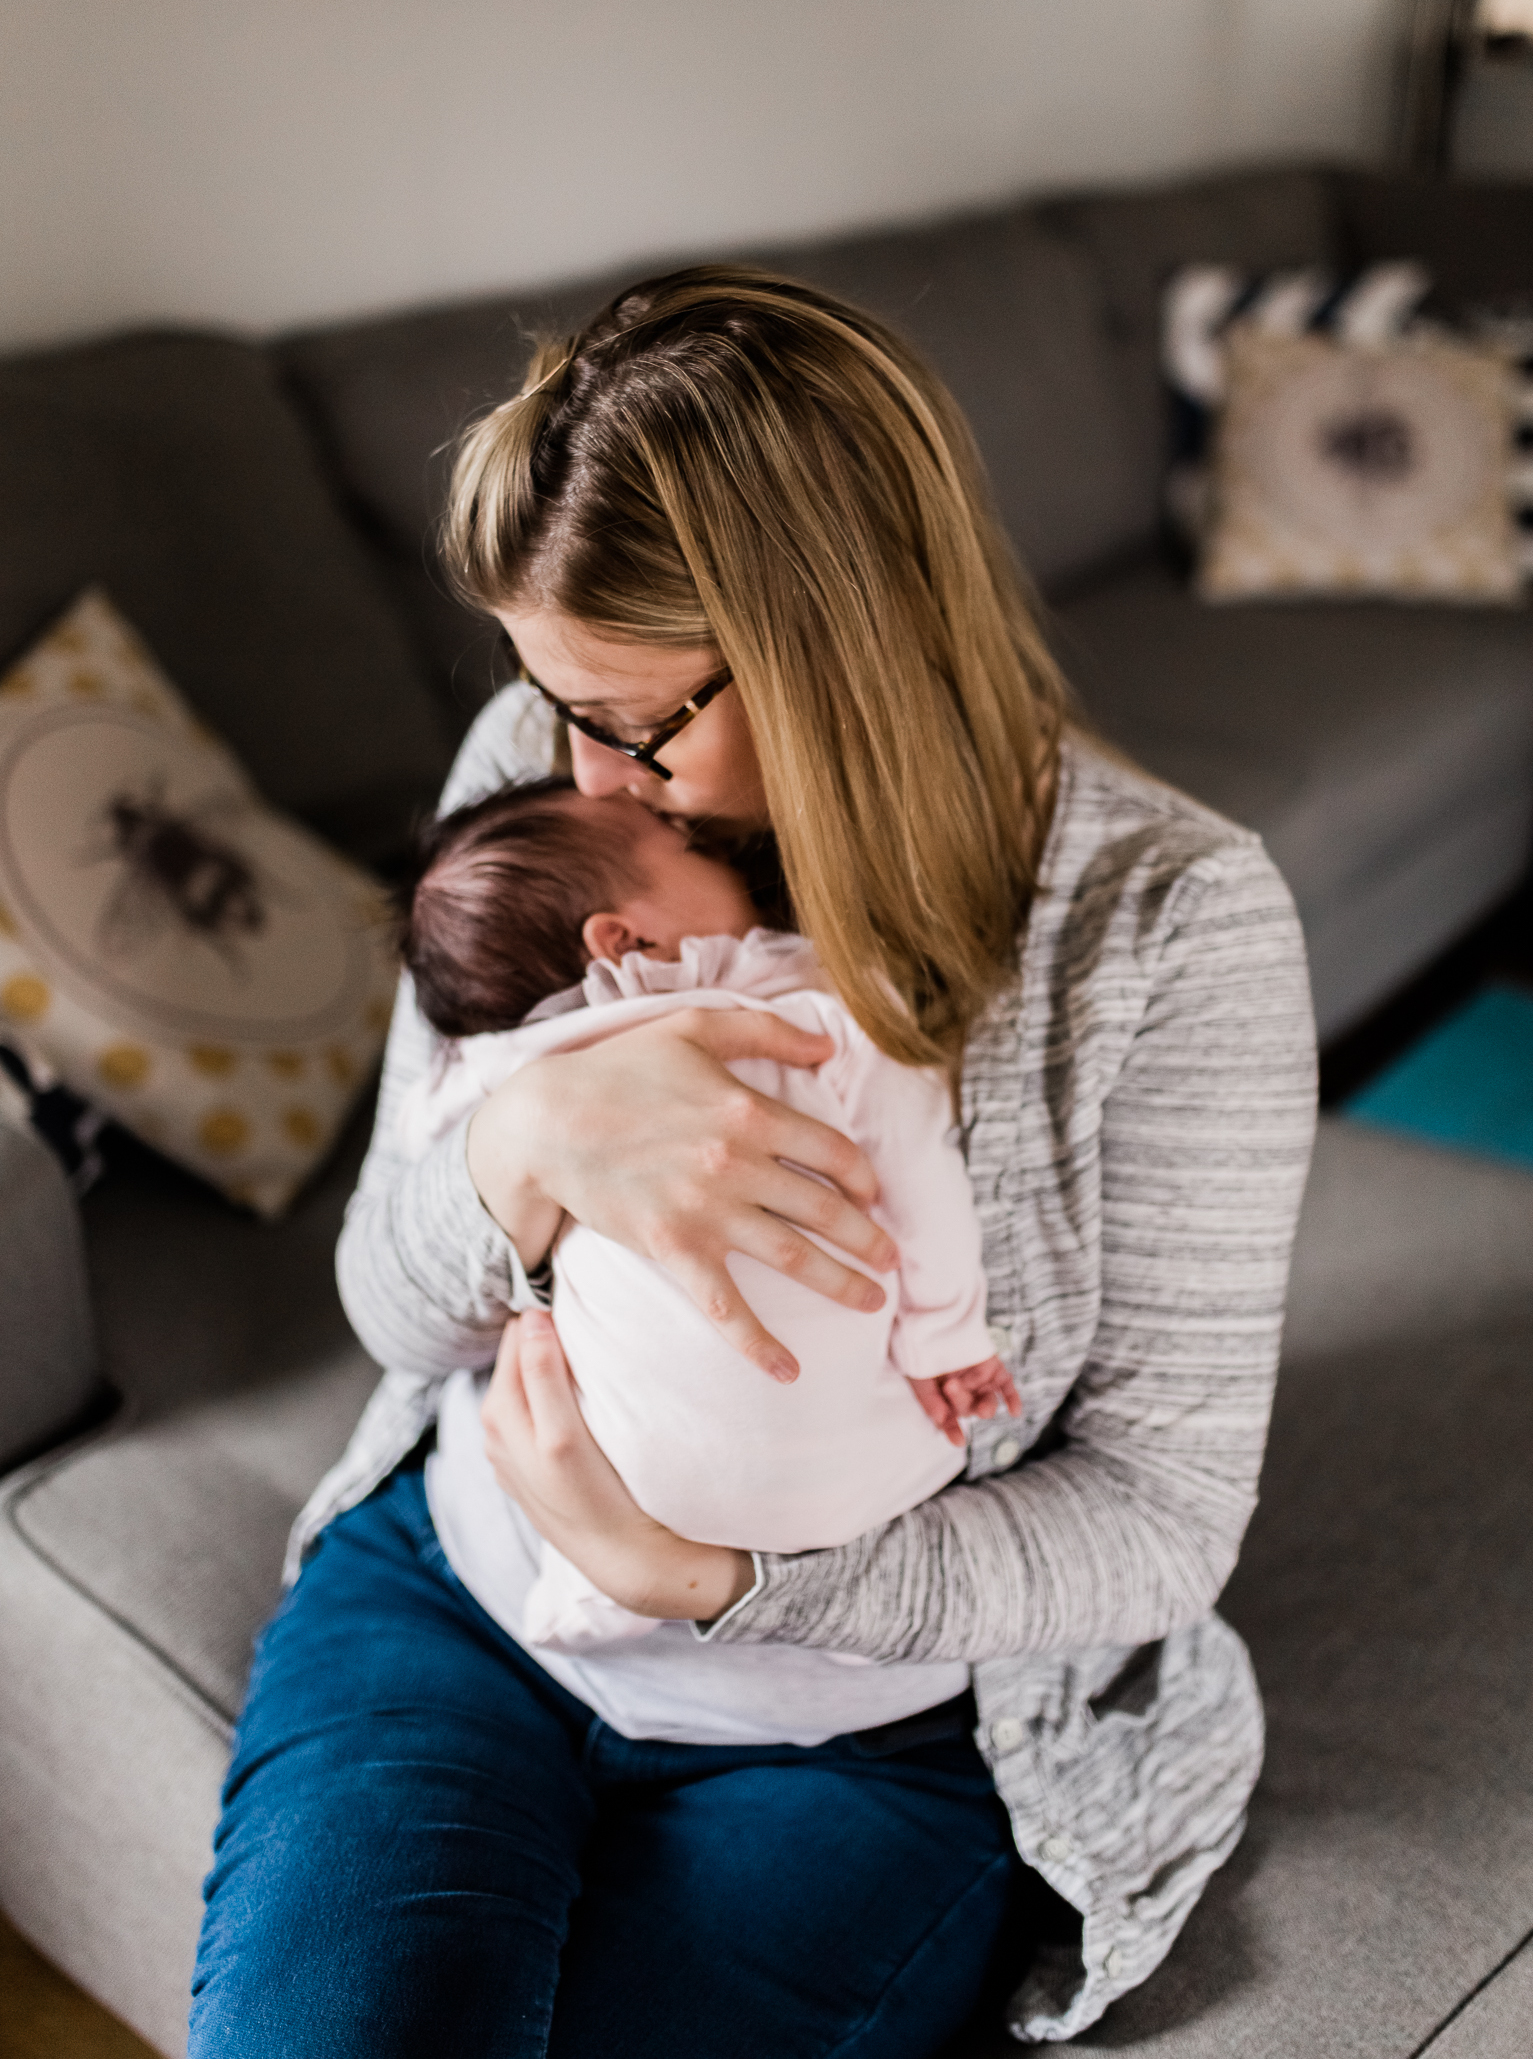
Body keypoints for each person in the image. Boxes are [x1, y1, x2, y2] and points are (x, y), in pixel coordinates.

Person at [188, 266, 1317, 2058]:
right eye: (548, 699)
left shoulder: (1166, 928)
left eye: (638, 722)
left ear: (840, 653)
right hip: (462, 1602)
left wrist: (713, 1581)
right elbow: (390, 1313)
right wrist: (521, 1144)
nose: (583, 773)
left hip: (865, 1726)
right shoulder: (543, 784)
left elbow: (1158, 1524)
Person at [393, 777, 1019, 1652]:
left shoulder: (494, 1065)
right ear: (622, 937)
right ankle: (612, 1578)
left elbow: (417, 1147)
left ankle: (587, 1582)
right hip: (867, 1481)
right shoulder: (814, 1013)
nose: (705, 840)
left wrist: (502, 1134)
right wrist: (945, 1339)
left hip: (631, 1479)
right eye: (685, 844)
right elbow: (919, 1168)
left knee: (582, 1347)